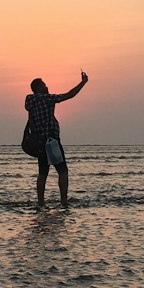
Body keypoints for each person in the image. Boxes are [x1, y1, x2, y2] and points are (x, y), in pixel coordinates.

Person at [24, 70, 88, 207]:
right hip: (51, 141)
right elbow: (69, 95)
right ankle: (63, 201)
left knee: (42, 173)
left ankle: (41, 202)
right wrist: (83, 82)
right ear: (37, 88)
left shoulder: (29, 100)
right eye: (43, 85)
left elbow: (30, 119)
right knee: (63, 171)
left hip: (40, 142)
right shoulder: (47, 98)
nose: (46, 87)